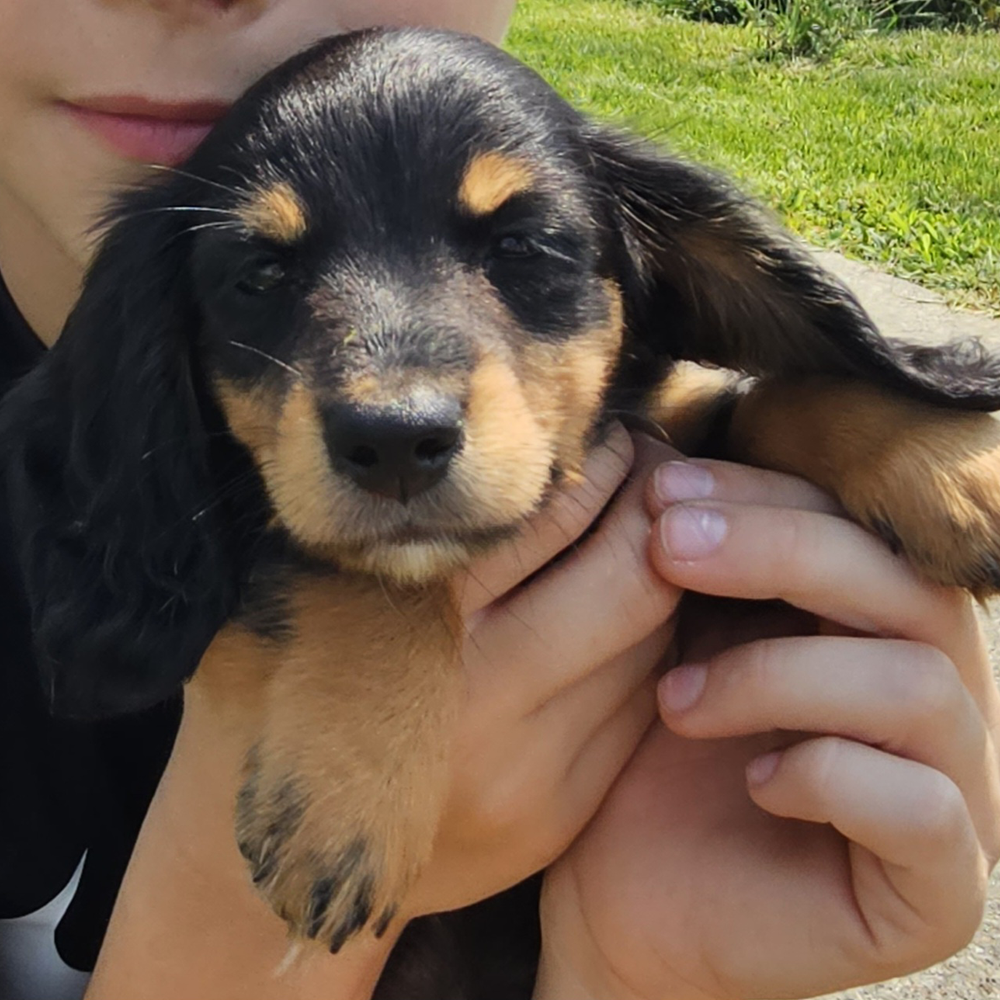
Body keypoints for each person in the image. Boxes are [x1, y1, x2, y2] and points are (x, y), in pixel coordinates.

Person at [0, 2, 996, 998]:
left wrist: (624, 973)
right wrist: (229, 917)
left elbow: (706, 421)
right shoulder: (130, 432)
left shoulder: (650, 394)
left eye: (524, 251)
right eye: (261, 272)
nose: (391, 403)